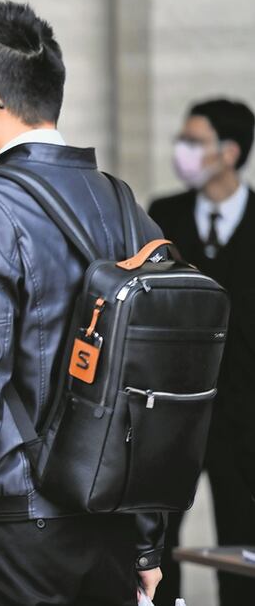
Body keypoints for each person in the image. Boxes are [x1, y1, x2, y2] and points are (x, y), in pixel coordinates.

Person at [0, 1, 166, 606]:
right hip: (109, 516)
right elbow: (147, 380)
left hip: (20, 521)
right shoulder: (119, 199)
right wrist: (148, 542)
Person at [148, 98, 255, 606]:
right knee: (156, 545)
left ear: (229, 152)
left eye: (195, 141)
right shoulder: (163, 216)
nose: (183, 151)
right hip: (174, 414)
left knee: (243, 545)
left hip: (246, 421)